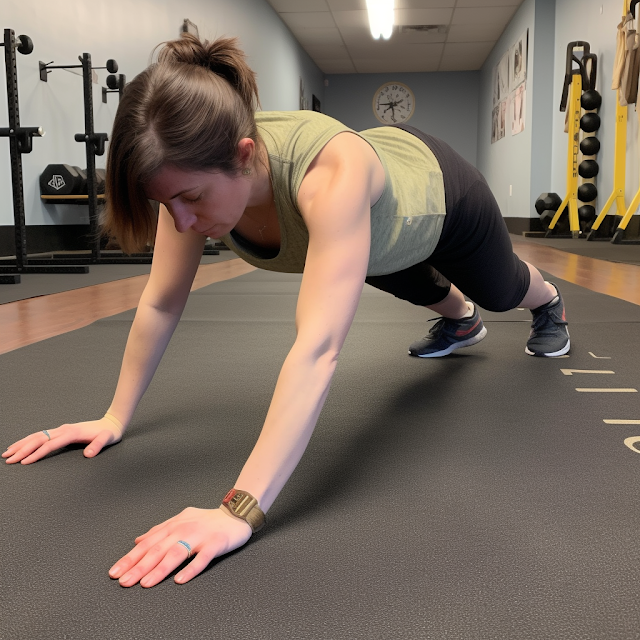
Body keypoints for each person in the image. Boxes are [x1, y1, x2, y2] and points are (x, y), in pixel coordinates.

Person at [2, 33, 570, 588]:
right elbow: (160, 299)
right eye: (163, 203)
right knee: (400, 278)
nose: (179, 223)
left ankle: (550, 305)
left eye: (191, 199)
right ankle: (459, 319)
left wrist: (238, 511)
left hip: (441, 199)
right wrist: (113, 416)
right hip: (380, 239)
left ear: (244, 156)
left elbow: (317, 349)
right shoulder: (195, 169)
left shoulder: (330, 177)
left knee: (505, 290)